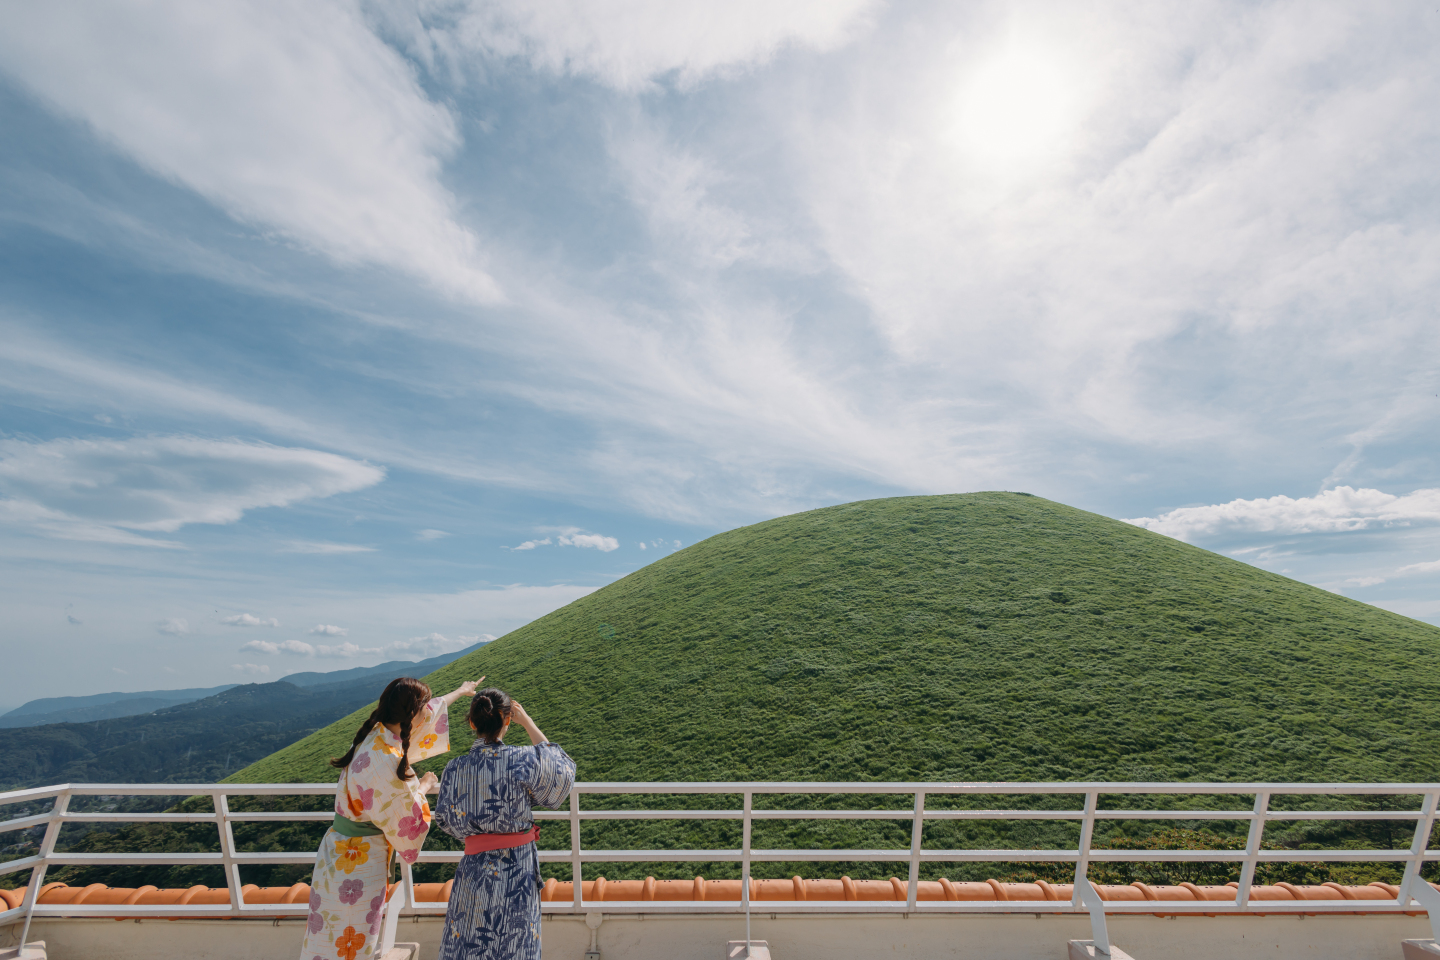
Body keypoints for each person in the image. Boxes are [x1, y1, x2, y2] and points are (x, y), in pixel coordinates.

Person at [300, 676, 481, 960]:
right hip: (359, 861)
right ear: (412, 713)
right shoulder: (387, 760)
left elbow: (430, 711)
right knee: (354, 939)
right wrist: (424, 786)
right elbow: (408, 815)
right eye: (423, 708)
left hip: (336, 853)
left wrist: (461, 691)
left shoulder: (375, 733)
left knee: (326, 936)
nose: (428, 713)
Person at [435, 688, 576, 960]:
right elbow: (560, 772)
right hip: (517, 868)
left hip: (474, 869)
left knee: (470, 939)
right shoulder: (523, 759)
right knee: (516, 941)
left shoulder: (454, 768)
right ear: (507, 720)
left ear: (473, 723)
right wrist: (529, 722)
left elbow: (445, 819)